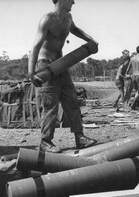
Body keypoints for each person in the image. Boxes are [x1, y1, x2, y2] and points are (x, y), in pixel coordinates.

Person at [28, 0, 97, 153]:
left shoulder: (68, 18)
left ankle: (80, 137)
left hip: (61, 66)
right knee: (50, 106)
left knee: (71, 101)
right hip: (46, 67)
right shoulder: (47, 19)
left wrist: (90, 39)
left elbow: (75, 29)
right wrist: (31, 73)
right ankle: (45, 142)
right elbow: (35, 46)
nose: (73, 2)